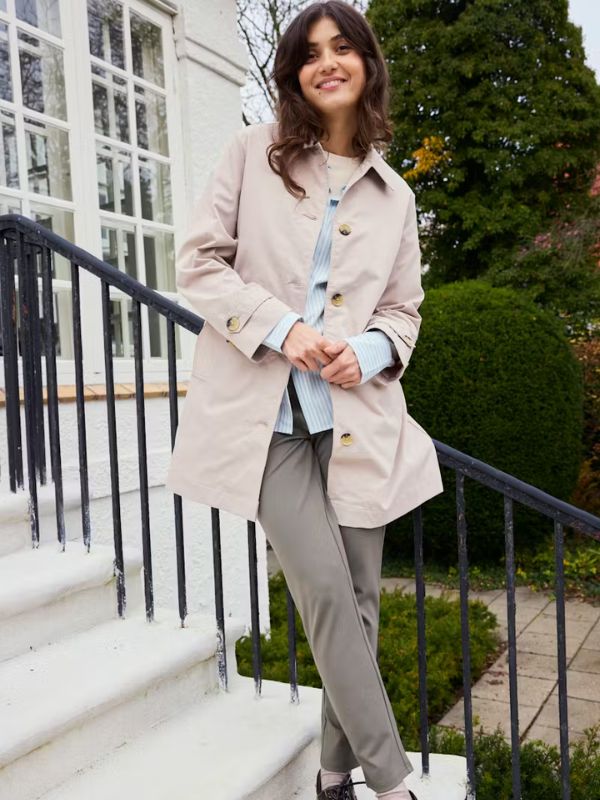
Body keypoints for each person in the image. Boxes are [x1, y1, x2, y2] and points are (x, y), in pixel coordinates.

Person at [166, 2, 444, 798]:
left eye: (343, 48)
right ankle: (392, 783)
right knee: (325, 594)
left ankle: (331, 774)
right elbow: (200, 263)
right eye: (311, 52)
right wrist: (281, 327)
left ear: (367, 65)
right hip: (269, 424)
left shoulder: (395, 197)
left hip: (358, 423)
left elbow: (404, 311)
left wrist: (370, 350)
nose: (328, 62)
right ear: (293, 73)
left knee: (359, 605)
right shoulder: (251, 154)